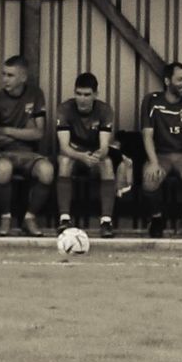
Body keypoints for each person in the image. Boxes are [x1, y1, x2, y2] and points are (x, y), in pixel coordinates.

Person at [0, 55, 51, 237]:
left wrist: (6, 130)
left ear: (23, 78)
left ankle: (29, 218)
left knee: (47, 171)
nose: (5, 79)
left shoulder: (35, 94)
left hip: (30, 154)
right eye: (4, 74)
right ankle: (6, 217)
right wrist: (24, 132)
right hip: (4, 154)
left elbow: (39, 133)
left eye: (10, 75)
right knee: (3, 170)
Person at [141, 62, 182, 238]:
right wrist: (154, 163)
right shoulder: (152, 100)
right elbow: (147, 135)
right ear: (167, 81)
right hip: (161, 155)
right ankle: (156, 219)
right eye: (180, 80)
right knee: (149, 178)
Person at [55, 72, 117, 238]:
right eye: (79, 94)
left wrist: (97, 156)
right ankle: (64, 219)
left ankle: (106, 221)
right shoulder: (65, 109)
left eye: (87, 95)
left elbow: (105, 146)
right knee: (64, 161)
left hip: (95, 154)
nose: (82, 99)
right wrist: (82, 156)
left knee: (107, 163)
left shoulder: (104, 110)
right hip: (74, 153)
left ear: (95, 95)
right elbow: (63, 147)